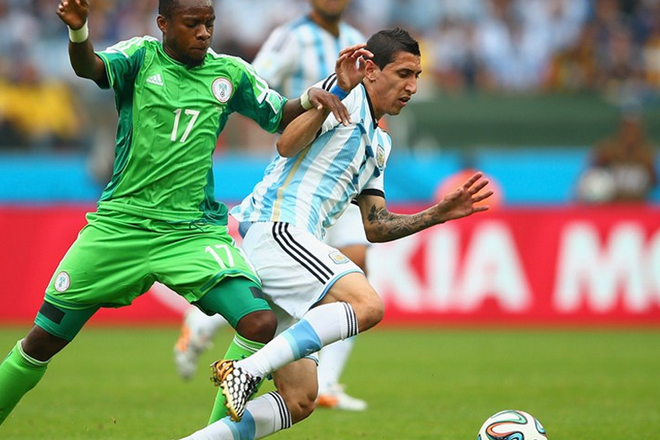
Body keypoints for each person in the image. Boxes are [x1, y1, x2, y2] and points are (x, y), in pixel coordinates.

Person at [0, 0, 364, 428]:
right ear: (164, 23)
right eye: (192, 24)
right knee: (42, 341)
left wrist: (316, 94)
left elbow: (279, 114)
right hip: (120, 227)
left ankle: (215, 437)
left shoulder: (230, 73)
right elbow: (90, 68)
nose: (204, 32)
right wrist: (79, 31)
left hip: (192, 233)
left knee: (259, 322)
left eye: (209, 23)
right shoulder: (140, 56)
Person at [178, 28, 492, 440]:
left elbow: (375, 225)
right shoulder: (344, 94)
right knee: (367, 304)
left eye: (417, 75)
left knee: (300, 399)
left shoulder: (380, 142)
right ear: (371, 71)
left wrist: (436, 214)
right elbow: (287, 144)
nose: (412, 87)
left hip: (293, 246)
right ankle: (247, 370)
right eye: (403, 74)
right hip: (279, 228)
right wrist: (335, 93)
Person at [173, 0, 370, 412]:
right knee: (304, 286)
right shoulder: (291, 37)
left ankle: (328, 380)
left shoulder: (357, 41)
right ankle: (204, 322)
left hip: (345, 172)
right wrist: (301, 110)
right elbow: (252, 85)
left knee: (354, 270)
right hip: (300, 171)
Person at [576, 112, 657, 204]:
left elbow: (654, 182)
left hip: (638, 205)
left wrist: (647, 165)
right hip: (612, 205)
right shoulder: (608, 150)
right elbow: (592, 175)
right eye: (627, 128)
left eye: (634, 128)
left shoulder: (646, 153)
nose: (631, 133)